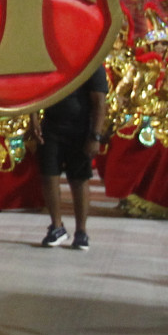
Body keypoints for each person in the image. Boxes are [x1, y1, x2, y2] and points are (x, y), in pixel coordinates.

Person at [35, 62, 111, 249]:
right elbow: (36, 92)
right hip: (51, 125)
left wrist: (95, 136)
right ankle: (57, 226)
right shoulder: (51, 61)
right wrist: (33, 118)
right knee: (49, 175)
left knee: (79, 179)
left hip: (81, 128)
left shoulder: (92, 64)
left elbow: (99, 103)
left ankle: (81, 231)